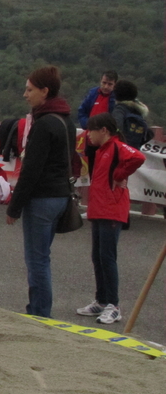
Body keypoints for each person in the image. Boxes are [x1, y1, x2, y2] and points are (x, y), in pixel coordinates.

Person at [6, 65, 77, 318]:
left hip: (42, 199)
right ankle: (39, 311)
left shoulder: (44, 123)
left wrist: (14, 206)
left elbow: (31, 170)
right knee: (42, 258)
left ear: (44, 91)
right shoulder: (65, 121)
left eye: (29, 90)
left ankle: (38, 313)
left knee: (37, 261)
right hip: (60, 196)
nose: (26, 95)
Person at [76, 113, 145, 324]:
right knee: (97, 256)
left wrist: (120, 174)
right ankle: (101, 299)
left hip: (112, 208)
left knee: (107, 257)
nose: (88, 135)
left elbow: (138, 157)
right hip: (99, 207)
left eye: (91, 131)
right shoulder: (102, 150)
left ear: (104, 130)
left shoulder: (116, 147)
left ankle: (113, 305)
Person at [77, 70, 117, 175]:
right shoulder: (93, 93)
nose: (106, 86)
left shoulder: (115, 99)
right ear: (100, 81)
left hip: (106, 142)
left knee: (104, 172)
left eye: (110, 84)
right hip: (90, 139)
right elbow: (82, 111)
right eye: (104, 83)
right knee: (89, 172)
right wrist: (87, 125)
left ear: (114, 85)